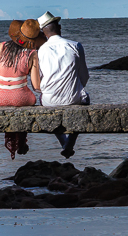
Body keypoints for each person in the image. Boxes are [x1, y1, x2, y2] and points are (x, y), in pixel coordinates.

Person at [34, 11, 89, 158]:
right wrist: (74, 89)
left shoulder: (41, 51)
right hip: (73, 99)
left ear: (44, 33)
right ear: (59, 28)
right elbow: (85, 76)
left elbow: (40, 80)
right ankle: (70, 142)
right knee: (85, 99)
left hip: (49, 101)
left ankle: (63, 142)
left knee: (46, 105)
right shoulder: (76, 46)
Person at [0, 19, 42, 159]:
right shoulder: (32, 54)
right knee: (26, 100)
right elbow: (36, 86)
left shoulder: (1, 47)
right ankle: (22, 142)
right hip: (21, 98)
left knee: (13, 99)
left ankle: (15, 142)